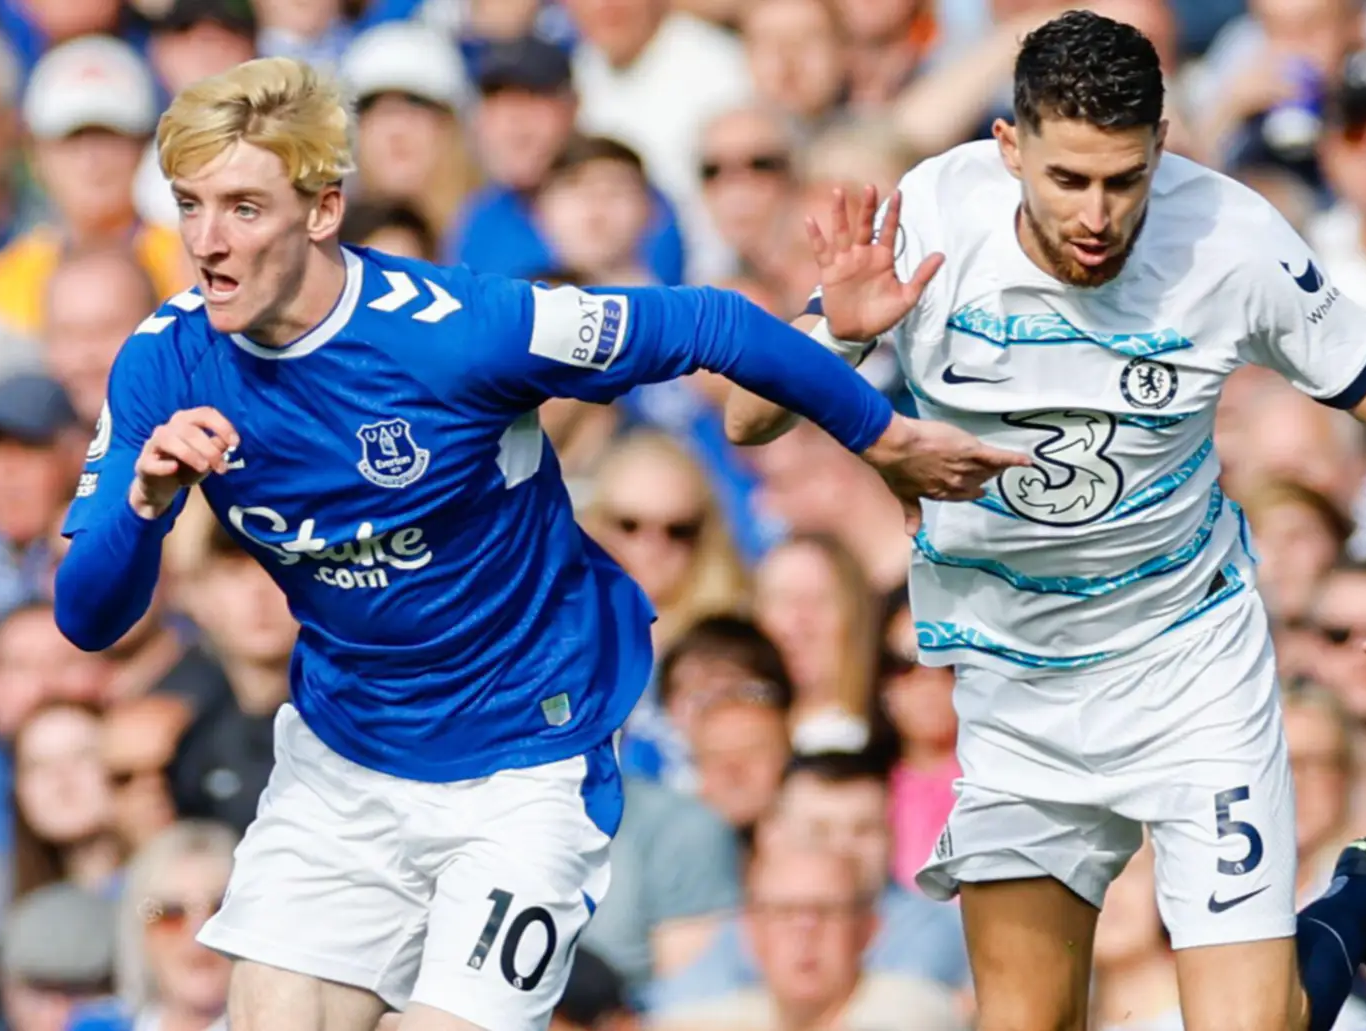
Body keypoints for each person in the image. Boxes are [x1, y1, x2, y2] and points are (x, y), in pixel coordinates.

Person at [51, 55, 1013, 1031]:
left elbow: (710, 322)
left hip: (526, 760)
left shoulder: (459, 332)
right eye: (190, 206)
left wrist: (883, 439)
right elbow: (87, 617)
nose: (207, 244)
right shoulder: (162, 364)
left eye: (244, 208)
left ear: (322, 209)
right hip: (344, 765)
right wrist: (143, 502)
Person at [724, 11, 1366, 1031]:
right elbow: (749, 421)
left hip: (1188, 662)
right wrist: (835, 329)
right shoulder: (930, 219)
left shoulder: (1229, 241)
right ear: (1009, 147)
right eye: (1067, 180)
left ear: (1161, 148)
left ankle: (1362, 899)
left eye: (1124, 179)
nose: (1097, 213)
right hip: (1013, 678)